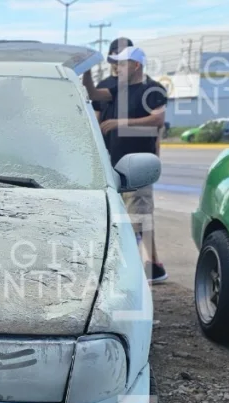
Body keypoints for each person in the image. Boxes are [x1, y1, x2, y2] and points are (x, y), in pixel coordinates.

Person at [83, 46, 170, 284]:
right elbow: (92, 92)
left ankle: (122, 271)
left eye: (121, 64)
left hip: (138, 167)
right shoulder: (115, 89)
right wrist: (88, 68)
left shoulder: (151, 89)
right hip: (116, 167)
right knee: (135, 217)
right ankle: (154, 266)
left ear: (136, 65)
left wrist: (120, 122)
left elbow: (158, 118)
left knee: (135, 219)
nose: (117, 68)